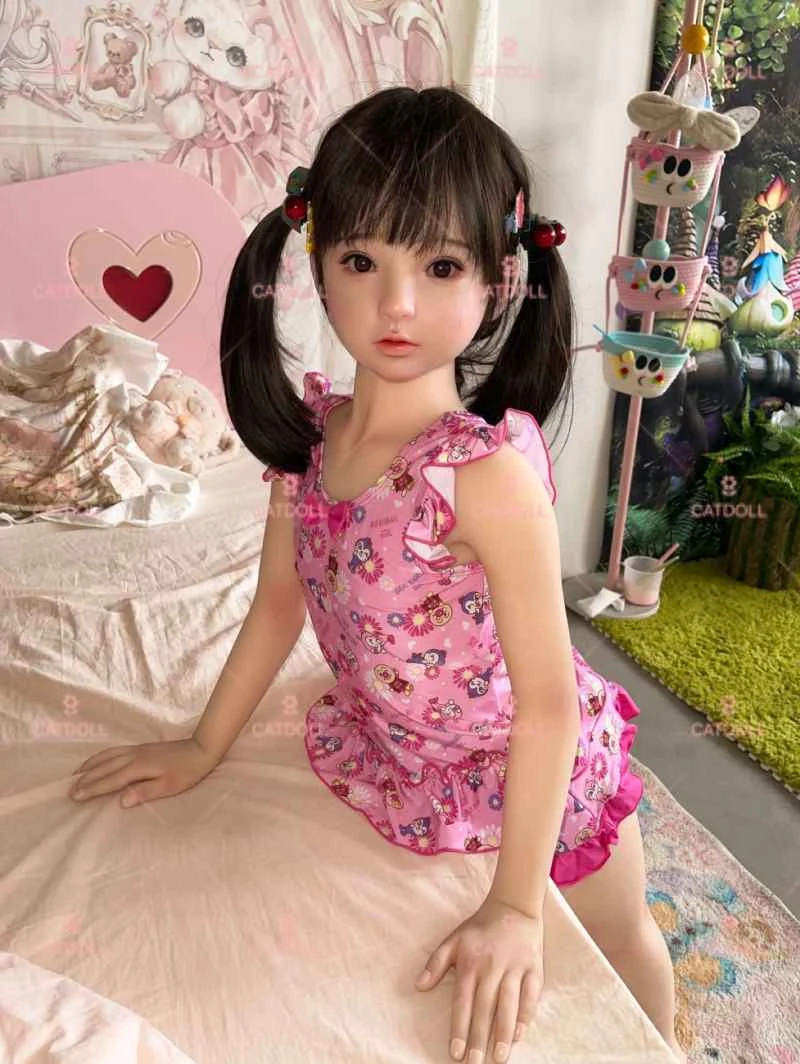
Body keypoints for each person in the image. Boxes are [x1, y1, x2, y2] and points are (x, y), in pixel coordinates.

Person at [68, 87, 685, 1064]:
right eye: (361, 261)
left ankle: (667, 1041)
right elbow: (278, 606)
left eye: (440, 266)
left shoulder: (481, 479)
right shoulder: (311, 443)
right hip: (392, 744)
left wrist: (514, 906)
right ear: (316, 262)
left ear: (497, 280)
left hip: (533, 767)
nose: (396, 304)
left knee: (626, 937)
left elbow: (546, 705)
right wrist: (202, 744)